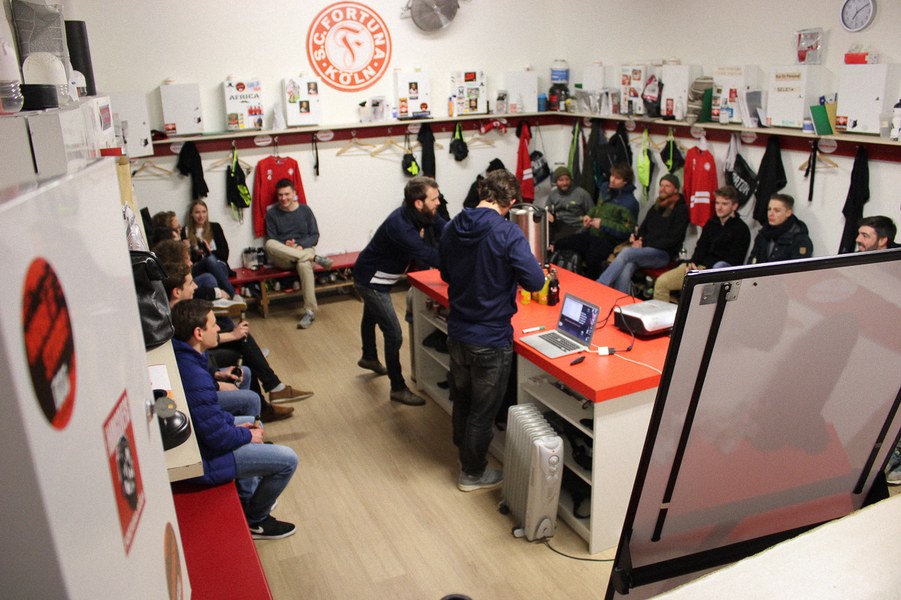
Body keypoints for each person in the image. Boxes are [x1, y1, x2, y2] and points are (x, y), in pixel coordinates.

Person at [439, 170, 546, 492]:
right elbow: (535, 281)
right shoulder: (508, 233)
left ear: (482, 191)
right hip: (490, 336)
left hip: (457, 329)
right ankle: (472, 473)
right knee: (482, 412)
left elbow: (445, 272)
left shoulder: (452, 225)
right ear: (511, 202)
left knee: (463, 399)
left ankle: (464, 452)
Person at [171, 299, 298, 539]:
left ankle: (249, 495)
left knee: (251, 419)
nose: (218, 328)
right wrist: (246, 435)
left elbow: (209, 418)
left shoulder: (188, 359)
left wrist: (237, 426)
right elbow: (216, 437)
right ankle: (256, 520)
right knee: (288, 460)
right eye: (213, 324)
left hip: (204, 446)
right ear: (198, 333)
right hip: (206, 461)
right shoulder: (194, 374)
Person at [161, 259, 304, 423]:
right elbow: (192, 365)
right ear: (176, 292)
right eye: (190, 283)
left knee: (244, 349)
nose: (195, 287)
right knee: (243, 347)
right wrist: (217, 380)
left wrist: (215, 373)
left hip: (205, 368)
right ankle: (266, 398)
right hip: (200, 386)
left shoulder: (178, 310)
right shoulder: (173, 321)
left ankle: (267, 397)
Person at [353, 176, 447, 406]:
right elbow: (429, 255)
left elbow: (443, 226)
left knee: (371, 317)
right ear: (419, 203)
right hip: (371, 282)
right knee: (394, 334)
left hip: (372, 275)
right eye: (434, 199)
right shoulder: (401, 226)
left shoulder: (419, 213)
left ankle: (368, 356)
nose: (438, 202)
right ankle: (397, 387)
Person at [653, 186, 751, 302]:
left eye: (724, 204)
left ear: (734, 206)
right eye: (717, 203)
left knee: (708, 282)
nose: (719, 207)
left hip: (718, 274)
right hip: (699, 268)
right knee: (662, 283)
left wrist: (705, 272)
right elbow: (700, 247)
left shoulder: (742, 230)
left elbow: (735, 261)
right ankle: (664, 314)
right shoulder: (711, 223)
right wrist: (692, 264)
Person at [598, 173, 689, 294]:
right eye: (661, 185)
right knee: (628, 265)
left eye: (667, 186)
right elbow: (643, 228)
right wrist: (637, 239)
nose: (663, 188)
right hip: (645, 250)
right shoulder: (656, 207)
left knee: (627, 252)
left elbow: (673, 240)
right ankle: (620, 298)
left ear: (676, 189)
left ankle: (600, 285)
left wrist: (644, 243)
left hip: (664, 254)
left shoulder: (681, 210)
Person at [264, 179, 333, 329]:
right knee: (269, 244)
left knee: (303, 265)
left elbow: (314, 235)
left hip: (304, 249)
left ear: (294, 193)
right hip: (285, 255)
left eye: (287, 194)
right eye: (280, 195)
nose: (283, 198)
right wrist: (286, 244)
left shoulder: (305, 210)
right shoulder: (272, 214)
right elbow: (272, 239)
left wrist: (300, 245)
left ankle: (309, 312)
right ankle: (315, 258)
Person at [551, 163, 638, 279]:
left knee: (592, 258)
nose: (612, 180)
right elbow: (597, 208)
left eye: (617, 178)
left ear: (625, 181)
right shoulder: (605, 188)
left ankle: (593, 286)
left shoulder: (630, 203)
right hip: (592, 234)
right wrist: (589, 215)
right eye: (612, 175)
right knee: (561, 243)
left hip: (610, 241)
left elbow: (627, 231)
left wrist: (602, 224)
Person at [747, 194, 813, 264]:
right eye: (769, 209)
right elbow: (752, 262)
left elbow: (798, 268)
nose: (771, 214)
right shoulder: (763, 234)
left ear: (788, 213)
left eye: (777, 211)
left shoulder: (800, 240)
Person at [545, 166, 594, 242]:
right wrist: (548, 214)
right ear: (556, 182)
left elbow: (592, 212)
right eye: (561, 180)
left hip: (577, 227)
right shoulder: (552, 195)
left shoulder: (582, 194)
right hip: (559, 226)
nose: (564, 183)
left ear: (571, 180)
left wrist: (585, 226)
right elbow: (547, 211)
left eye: (567, 179)